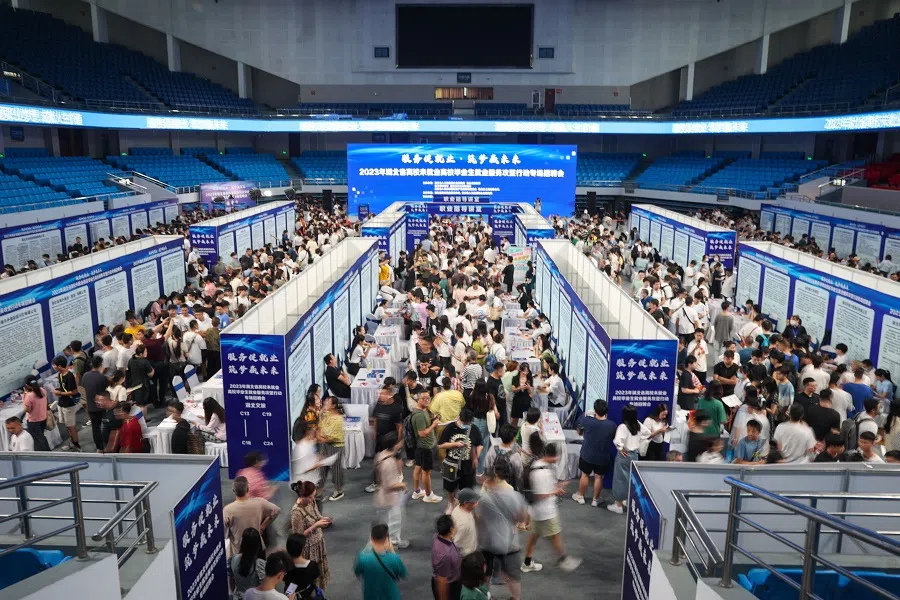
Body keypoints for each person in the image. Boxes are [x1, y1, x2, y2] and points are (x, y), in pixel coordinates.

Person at [522, 440, 581, 572]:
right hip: (545, 512)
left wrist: (558, 486)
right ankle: (563, 559)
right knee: (555, 535)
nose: (558, 459)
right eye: (557, 456)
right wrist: (556, 491)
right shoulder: (543, 472)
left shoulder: (538, 465)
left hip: (536, 511)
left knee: (534, 535)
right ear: (552, 455)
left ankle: (527, 562)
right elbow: (540, 495)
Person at [476, 455, 526, 599]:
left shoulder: (486, 487)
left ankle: (485, 596)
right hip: (508, 540)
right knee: (513, 575)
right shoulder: (512, 492)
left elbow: (479, 514)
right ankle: (515, 598)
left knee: (486, 572)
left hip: (487, 539)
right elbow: (520, 518)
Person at [572, 399, 617, 506]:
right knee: (599, 477)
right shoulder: (612, 425)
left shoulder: (587, 420)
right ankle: (595, 500)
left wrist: (586, 415)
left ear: (595, 410)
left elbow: (579, 431)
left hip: (587, 455)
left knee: (585, 474)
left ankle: (581, 496)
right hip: (602, 456)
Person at [439, 408, 483, 512]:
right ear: (459, 418)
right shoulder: (450, 428)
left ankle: (463, 505)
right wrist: (454, 444)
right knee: (451, 486)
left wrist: (476, 457)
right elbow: (441, 445)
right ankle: (451, 502)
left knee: (467, 487)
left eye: (469, 423)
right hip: (452, 464)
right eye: (465, 422)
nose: (467, 425)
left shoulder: (474, 429)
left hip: (468, 465)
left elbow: (479, 444)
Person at [223, 476, 281, 554]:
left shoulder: (228, 510)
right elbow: (276, 510)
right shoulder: (260, 503)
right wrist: (263, 525)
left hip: (238, 550)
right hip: (257, 547)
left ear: (233, 490)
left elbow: (225, 533)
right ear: (248, 489)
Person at [290, 481, 331, 590]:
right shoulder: (296, 512)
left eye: (314, 496)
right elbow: (297, 536)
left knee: (319, 572)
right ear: (302, 496)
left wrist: (322, 519)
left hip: (318, 543)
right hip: (309, 548)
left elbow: (316, 515)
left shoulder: (311, 502)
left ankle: (319, 593)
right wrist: (315, 526)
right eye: (310, 497)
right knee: (311, 577)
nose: (313, 499)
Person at [609, 404, 648, 514]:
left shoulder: (623, 427)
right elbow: (647, 433)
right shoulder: (638, 425)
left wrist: (620, 448)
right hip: (635, 455)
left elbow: (617, 440)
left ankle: (618, 505)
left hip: (624, 456)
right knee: (631, 480)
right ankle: (627, 500)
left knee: (620, 479)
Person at [367, 379, 405, 493]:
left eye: (383, 394)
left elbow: (399, 426)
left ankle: (398, 476)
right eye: (380, 394)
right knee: (379, 459)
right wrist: (374, 432)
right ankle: (377, 481)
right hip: (380, 437)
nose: (380, 396)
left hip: (392, 438)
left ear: (389, 395)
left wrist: (399, 440)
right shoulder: (378, 405)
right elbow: (375, 419)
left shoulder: (396, 408)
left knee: (396, 457)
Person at [374, 432, 409, 548]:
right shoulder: (389, 463)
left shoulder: (382, 454)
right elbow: (390, 485)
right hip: (390, 496)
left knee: (388, 519)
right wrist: (402, 485)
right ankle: (393, 542)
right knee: (394, 519)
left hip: (383, 495)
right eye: (400, 442)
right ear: (395, 444)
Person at [354, 523, 407, 600]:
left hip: (370, 596)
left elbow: (358, 572)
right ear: (387, 539)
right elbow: (403, 573)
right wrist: (392, 551)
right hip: (391, 596)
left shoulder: (362, 558)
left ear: (371, 538)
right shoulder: (394, 559)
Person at [411, 389, 443, 504]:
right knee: (426, 472)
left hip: (421, 447)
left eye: (428, 398)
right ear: (417, 399)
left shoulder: (422, 411)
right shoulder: (419, 415)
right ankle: (428, 495)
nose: (426, 400)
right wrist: (433, 425)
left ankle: (417, 491)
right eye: (423, 398)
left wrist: (431, 421)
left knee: (418, 467)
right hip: (425, 447)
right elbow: (422, 433)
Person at [316, 396, 346, 501]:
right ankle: (319, 490)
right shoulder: (325, 414)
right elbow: (320, 427)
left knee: (336, 470)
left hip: (335, 447)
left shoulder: (338, 420)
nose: (325, 403)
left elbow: (331, 438)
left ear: (333, 405)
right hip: (324, 445)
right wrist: (320, 436)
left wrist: (320, 438)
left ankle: (339, 490)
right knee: (322, 469)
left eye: (327, 402)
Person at [52, 356, 81, 451]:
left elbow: (74, 391)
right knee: (67, 425)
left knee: (71, 426)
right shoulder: (60, 375)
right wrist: (59, 390)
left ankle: (76, 444)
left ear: (59, 366)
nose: (53, 366)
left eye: (54, 365)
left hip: (68, 405)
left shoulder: (69, 376)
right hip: (62, 403)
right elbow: (64, 388)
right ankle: (72, 442)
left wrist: (60, 393)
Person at [229, 528, 267, 600]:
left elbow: (231, 583)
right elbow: (265, 588)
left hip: (238, 597)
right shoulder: (260, 564)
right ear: (258, 544)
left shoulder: (233, 558)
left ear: (242, 542)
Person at [431, 514, 462, 600]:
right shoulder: (444, 555)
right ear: (451, 529)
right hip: (449, 586)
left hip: (453, 579)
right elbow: (442, 582)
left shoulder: (438, 536)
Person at [483, 423, 524, 489]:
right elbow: (519, 474)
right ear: (513, 438)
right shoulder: (515, 456)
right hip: (509, 486)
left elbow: (487, 467)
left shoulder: (492, 449)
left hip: (494, 484)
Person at [282, 533, 321, 600]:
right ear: (302, 549)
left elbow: (283, 578)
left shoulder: (284, 565)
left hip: (289, 594)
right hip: (306, 594)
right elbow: (316, 576)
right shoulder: (312, 565)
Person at [21, 375, 49, 451]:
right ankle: (48, 451)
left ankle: (43, 455)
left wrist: (24, 396)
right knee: (41, 437)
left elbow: (28, 410)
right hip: (43, 418)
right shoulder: (42, 390)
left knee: (38, 441)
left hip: (34, 421)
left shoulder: (29, 396)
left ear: (26, 385)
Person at [451, 488, 480, 556]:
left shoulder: (458, 507)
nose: (477, 503)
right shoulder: (463, 523)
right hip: (467, 554)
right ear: (465, 503)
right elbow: (456, 543)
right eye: (474, 502)